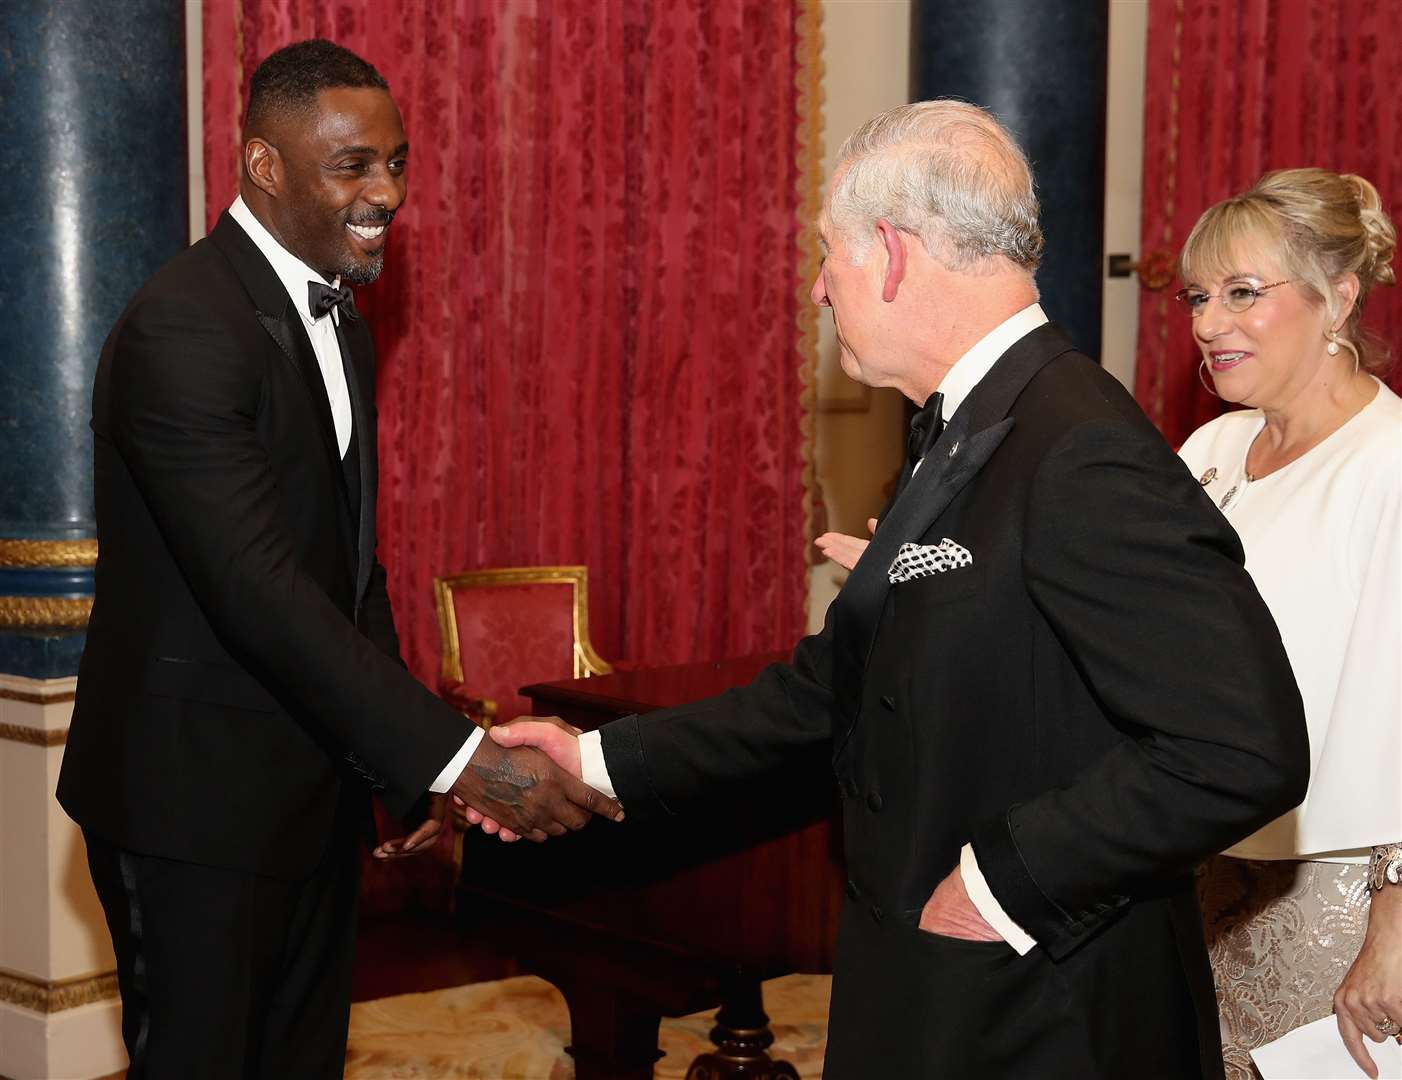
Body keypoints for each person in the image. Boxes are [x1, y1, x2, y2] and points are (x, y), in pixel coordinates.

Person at [472, 100, 1310, 1079]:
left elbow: (1239, 745)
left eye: (828, 255)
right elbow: (831, 687)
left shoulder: (1076, 447)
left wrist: (1004, 878)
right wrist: (599, 762)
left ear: (892, 253)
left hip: (1040, 1016)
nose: (822, 290)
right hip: (942, 996)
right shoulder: (963, 424)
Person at [56, 39, 620, 1080]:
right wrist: (459, 764)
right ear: (266, 168)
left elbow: (350, 571)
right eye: (353, 165)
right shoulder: (182, 326)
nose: (386, 193)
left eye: (397, 162)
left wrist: (393, 775)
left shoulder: (340, 314)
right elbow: (260, 592)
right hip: (192, 805)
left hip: (308, 794)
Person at [1173, 168, 1402, 1080]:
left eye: (1241, 293)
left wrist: (1394, 925)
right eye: (1198, 295)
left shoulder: (1387, 466)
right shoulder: (1212, 450)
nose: (1206, 322)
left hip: (1339, 899)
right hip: (1204, 869)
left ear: (1337, 298)